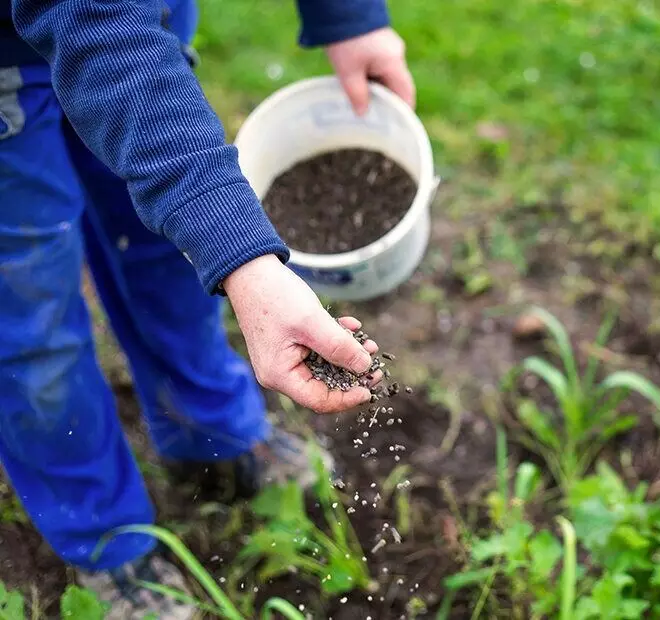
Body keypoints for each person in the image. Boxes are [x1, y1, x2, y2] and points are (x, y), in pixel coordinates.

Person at [0, 0, 416, 614]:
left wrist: (348, 16)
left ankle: (210, 434)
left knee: (165, 248)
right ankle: (106, 537)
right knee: (32, 318)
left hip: (144, 20)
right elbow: (97, 28)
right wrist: (244, 259)